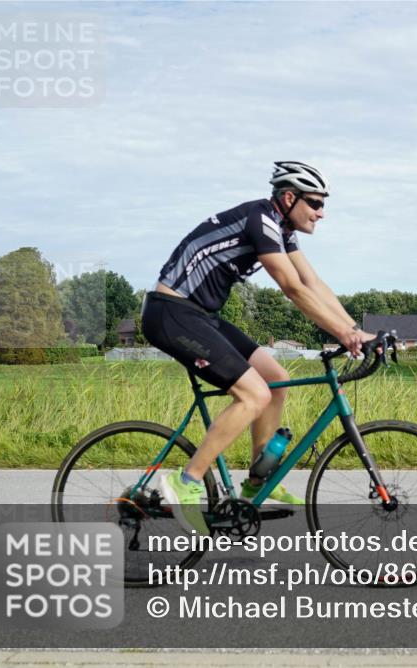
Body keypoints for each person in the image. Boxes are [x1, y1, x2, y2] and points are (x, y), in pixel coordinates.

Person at [141, 161, 375, 535]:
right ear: (288, 197)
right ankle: (186, 482)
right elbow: (292, 288)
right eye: (314, 203)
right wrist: (343, 335)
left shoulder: (282, 229)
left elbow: (312, 282)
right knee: (253, 394)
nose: (321, 212)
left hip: (201, 315)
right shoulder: (260, 218)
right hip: (171, 312)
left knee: (275, 378)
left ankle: (256, 480)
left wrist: (355, 330)